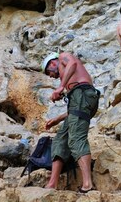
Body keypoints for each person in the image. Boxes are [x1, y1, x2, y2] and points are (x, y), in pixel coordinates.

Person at [42, 52, 100, 193]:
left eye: (48, 72)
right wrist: (57, 119)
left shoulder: (63, 56)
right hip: (81, 100)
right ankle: (52, 184)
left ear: (52, 63)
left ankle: (87, 184)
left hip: (82, 95)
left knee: (75, 139)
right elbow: (77, 109)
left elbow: (72, 64)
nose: (50, 76)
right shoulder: (72, 82)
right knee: (60, 139)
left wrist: (61, 87)